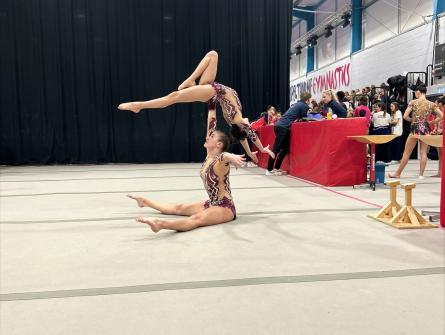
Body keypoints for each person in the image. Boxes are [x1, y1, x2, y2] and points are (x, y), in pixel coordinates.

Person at [118, 50, 274, 164]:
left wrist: (259, 149)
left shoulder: (237, 119)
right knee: (213, 55)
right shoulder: (237, 120)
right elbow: (245, 138)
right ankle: (190, 80)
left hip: (213, 92)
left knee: (174, 96)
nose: (248, 124)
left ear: (241, 127)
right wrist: (253, 151)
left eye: (246, 126)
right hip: (212, 86)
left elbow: (248, 134)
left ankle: (138, 105)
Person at [130, 102, 245, 233]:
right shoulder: (209, 156)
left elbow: (224, 156)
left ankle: (160, 224)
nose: (208, 136)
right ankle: (144, 201)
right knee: (179, 207)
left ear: (218, 144)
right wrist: (211, 105)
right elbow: (211, 123)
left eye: (212, 137)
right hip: (212, 203)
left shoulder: (220, 160)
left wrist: (231, 156)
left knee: (196, 219)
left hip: (225, 207)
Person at [389, 85, 443, 179]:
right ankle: (421, 175)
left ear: (418, 91)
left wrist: (413, 121)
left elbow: (405, 116)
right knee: (423, 153)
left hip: (415, 128)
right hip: (426, 129)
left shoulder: (413, 102)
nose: (415, 94)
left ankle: (397, 173)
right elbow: (441, 116)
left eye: (415, 92)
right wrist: (431, 122)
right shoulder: (431, 104)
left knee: (406, 153)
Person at [266, 92, 311, 176]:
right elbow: (304, 119)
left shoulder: (296, 104)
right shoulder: (304, 106)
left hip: (280, 126)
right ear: (308, 100)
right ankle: (269, 169)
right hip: (283, 127)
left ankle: (277, 168)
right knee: (276, 149)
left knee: (285, 149)